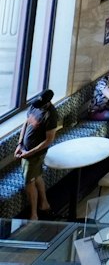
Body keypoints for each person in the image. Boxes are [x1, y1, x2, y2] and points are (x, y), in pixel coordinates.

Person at [16, 90, 58, 220]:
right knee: (37, 176)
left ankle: (34, 214)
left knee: (29, 181)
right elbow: (26, 122)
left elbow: (49, 140)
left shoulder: (51, 115)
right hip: (25, 149)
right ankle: (44, 204)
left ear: (47, 103)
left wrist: (30, 153)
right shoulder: (35, 105)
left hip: (35, 154)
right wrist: (20, 144)